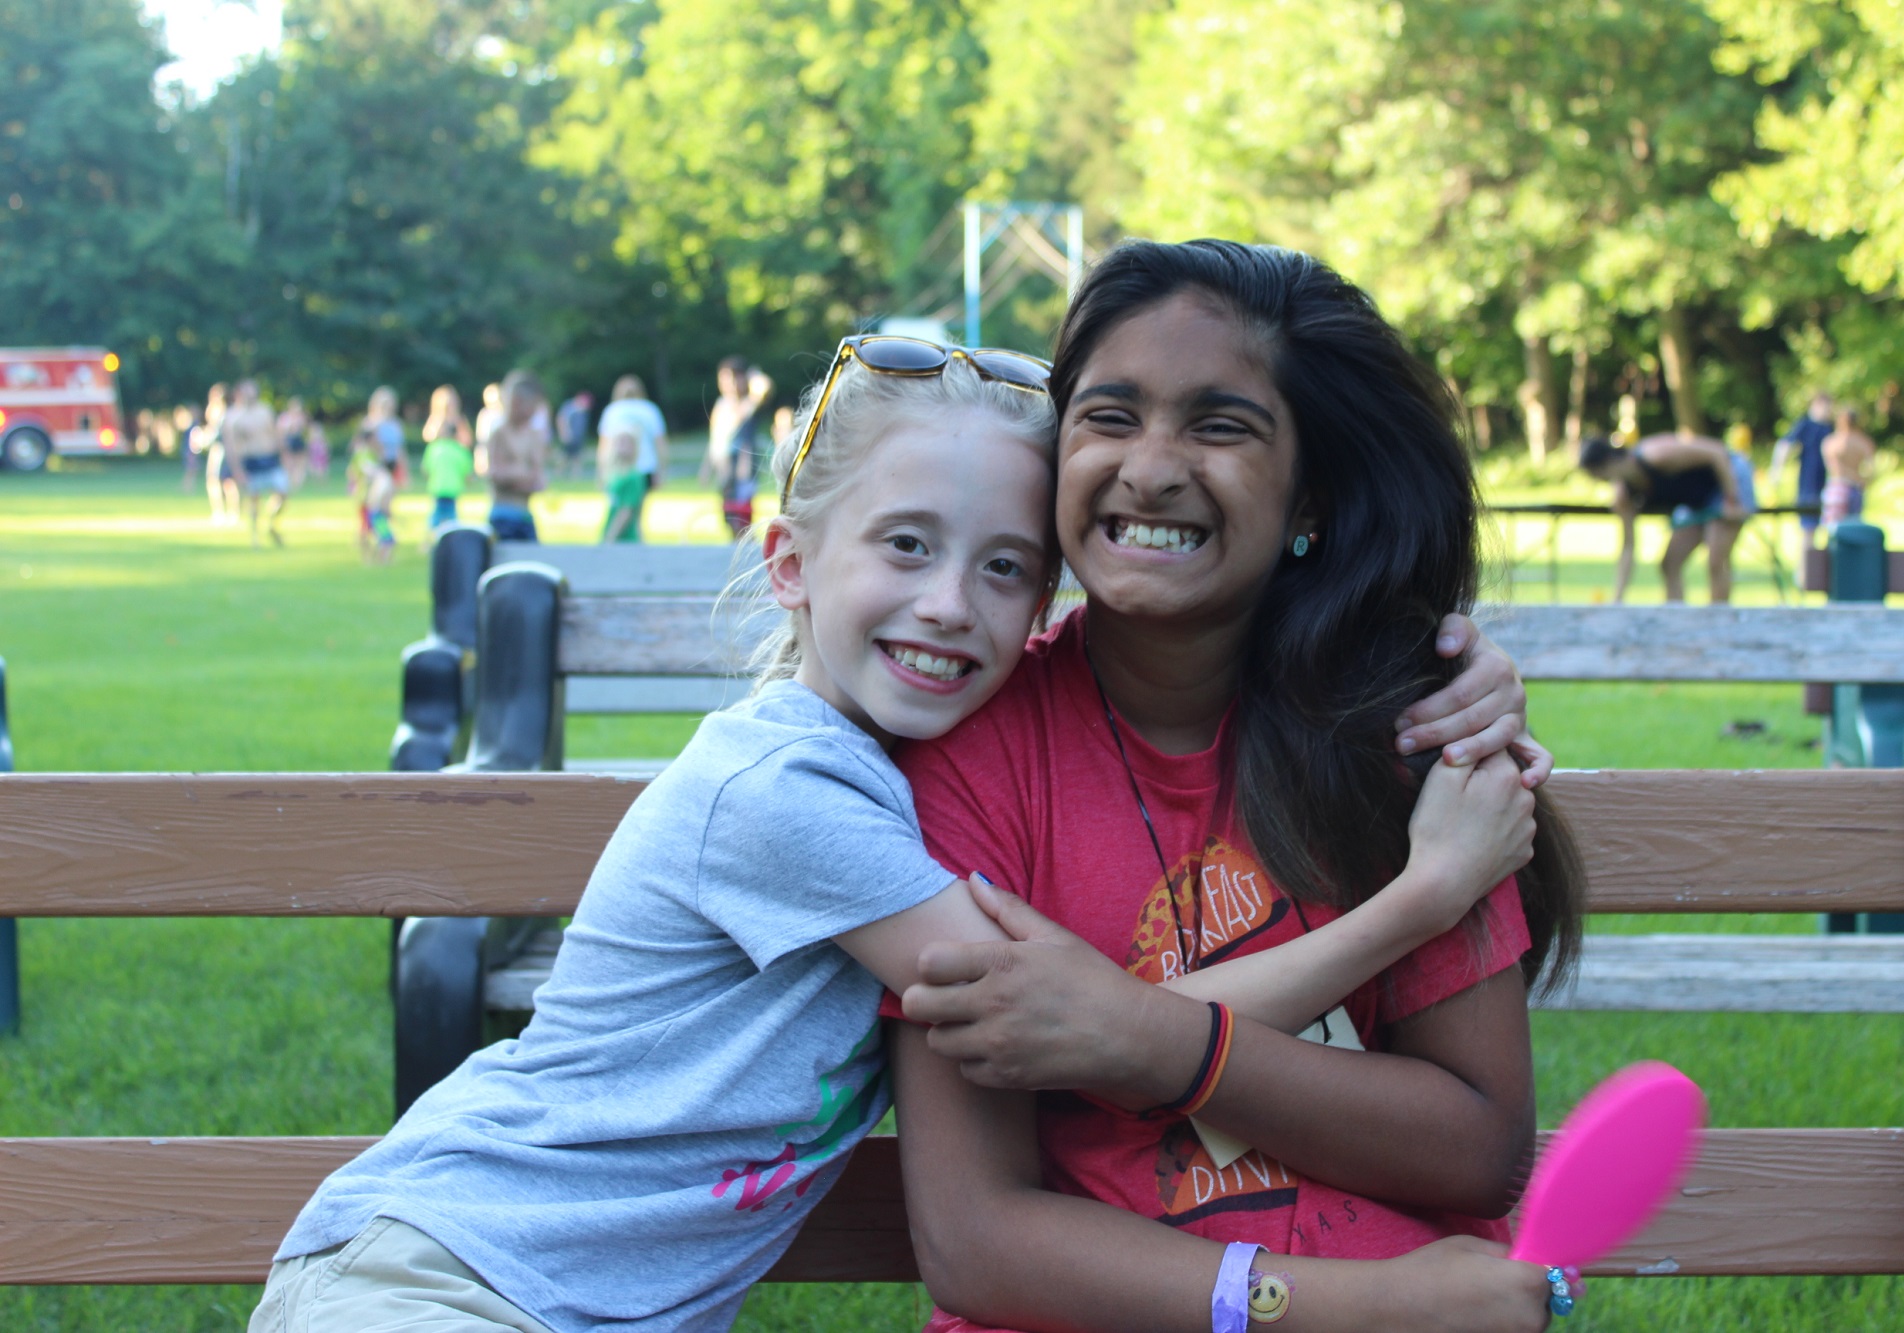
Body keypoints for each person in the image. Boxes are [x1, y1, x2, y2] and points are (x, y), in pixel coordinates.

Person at [248, 331, 1550, 1333]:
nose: (950, 606)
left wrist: (1431, 657)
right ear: (790, 563)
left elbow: (1135, 1002)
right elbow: (1104, 1028)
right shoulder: (788, 794)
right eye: (907, 546)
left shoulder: (907, 770)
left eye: (1001, 568)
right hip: (446, 1272)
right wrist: (1419, 899)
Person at [877, 243, 1574, 1333]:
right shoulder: (968, 752)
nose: (1150, 468)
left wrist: (1146, 1042)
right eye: (1108, 417)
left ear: (1312, 499)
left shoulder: (1412, 734)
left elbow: (1476, 1146)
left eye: (1218, 425)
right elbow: (974, 1239)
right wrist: (1350, 1306)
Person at [1580, 432, 1752, 602]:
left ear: (1606, 463)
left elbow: (1717, 452)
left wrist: (1732, 500)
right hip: (1696, 501)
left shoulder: (1654, 454)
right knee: (1670, 563)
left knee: (1715, 559)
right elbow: (1628, 547)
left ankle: (1719, 623)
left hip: (1728, 477)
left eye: (1595, 474)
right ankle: (1675, 621)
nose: (1598, 480)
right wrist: (1617, 599)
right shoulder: (1623, 496)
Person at [479, 370, 548, 543]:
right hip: (503, 514)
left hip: (525, 514)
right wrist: (524, 476)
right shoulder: (499, 434)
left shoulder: (533, 436)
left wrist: (517, 477)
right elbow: (496, 474)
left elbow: (538, 479)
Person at [708, 357, 772, 534]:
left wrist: (754, 377)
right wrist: (707, 468)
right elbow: (715, 438)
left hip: (743, 470)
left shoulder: (750, 403)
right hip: (724, 469)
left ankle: (743, 551)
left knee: (742, 517)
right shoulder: (721, 404)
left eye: (736, 378)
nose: (731, 384)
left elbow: (765, 387)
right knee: (728, 517)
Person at [222, 379, 288, 548]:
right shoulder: (233, 416)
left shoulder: (265, 411)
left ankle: (271, 522)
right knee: (254, 500)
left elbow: (276, 434)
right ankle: (255, 537)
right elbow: (230, 446)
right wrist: (237, 470)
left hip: (270, 458)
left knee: (282, 491)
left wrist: (284, 455)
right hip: (250, 461)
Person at [596, 374, 668, 523]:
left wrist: (601, 472)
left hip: (622, 468)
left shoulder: (613, 410)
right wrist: (661, 470)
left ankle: (621, 539)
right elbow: (660, 444)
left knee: (620, 508)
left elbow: (603, 445)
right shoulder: (649, 409)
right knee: (635, 512)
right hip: (642, 466)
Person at [1770, 390, 1834, 536]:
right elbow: (1784, 445)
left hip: (1826, 484)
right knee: (1808, 529)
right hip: (1808, 484)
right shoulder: (1805, 425)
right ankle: (1808, 559)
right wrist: (1776, 471)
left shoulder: (1829, 427)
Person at [421, 386, 476, 530]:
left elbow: (467, 440)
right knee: (438, 510)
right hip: (440, 465)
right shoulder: (436, 419)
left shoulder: (459, 420)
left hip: (453, 465)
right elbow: (428, 436)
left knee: (450, 511)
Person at [1819, 407, 1876, 526]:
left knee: (1833, 529)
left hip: (1837, 486)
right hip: (1856, 487)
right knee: (1853, 528)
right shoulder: (1863, 442)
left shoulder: (1830, 442)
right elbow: (1871, 469)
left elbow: (1829, 466)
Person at [347, 428, 396, 563]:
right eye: (375, 438)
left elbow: (351, 471)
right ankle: (368, 557)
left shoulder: (366, 453)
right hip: (366, 495)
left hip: (367, 494)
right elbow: (366, 470)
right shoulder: (364, 454)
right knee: (367, 525)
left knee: (368, 525)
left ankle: (370, 556)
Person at [198, 382, 237, 524]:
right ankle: (224, 512)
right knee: (220, 481)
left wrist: (203, 439)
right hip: (220, 449)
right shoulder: (224, 411)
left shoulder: (223, 412)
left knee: (224, 482)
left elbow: (216, 432)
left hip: (223, 449)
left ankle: (226, 513)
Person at [599, 430, 647, 544]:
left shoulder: (634, 477)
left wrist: (610, 537)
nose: (623, 446)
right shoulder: (614, 475)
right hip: (610, 529)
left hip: (625, 538)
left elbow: (627, 510)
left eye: (627, 443)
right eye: (620, 442)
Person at [365, 387, 407, 486]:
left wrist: (404, 470)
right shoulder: (370, 423)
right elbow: (363, 445)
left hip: (391, 464)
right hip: (375, 463)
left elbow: (400, 448)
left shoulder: (395, 424)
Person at [556, 390, 595, 477]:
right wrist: (564, 433)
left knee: (578, 458)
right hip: (569, 437)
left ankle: (575, 476)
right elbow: (561, 419)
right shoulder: (569, 407)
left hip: (578, 438)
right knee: (565, 457)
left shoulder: (582, 411)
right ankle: (558, 474)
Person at [277, 397, 311, 491]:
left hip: (298, 441)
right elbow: (281, 431)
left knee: (300, 463)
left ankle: (297, 483)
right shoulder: (285, 417)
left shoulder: (302, 417)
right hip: (289, 441)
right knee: (288, 464)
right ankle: (289, 482)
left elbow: (306, 429)